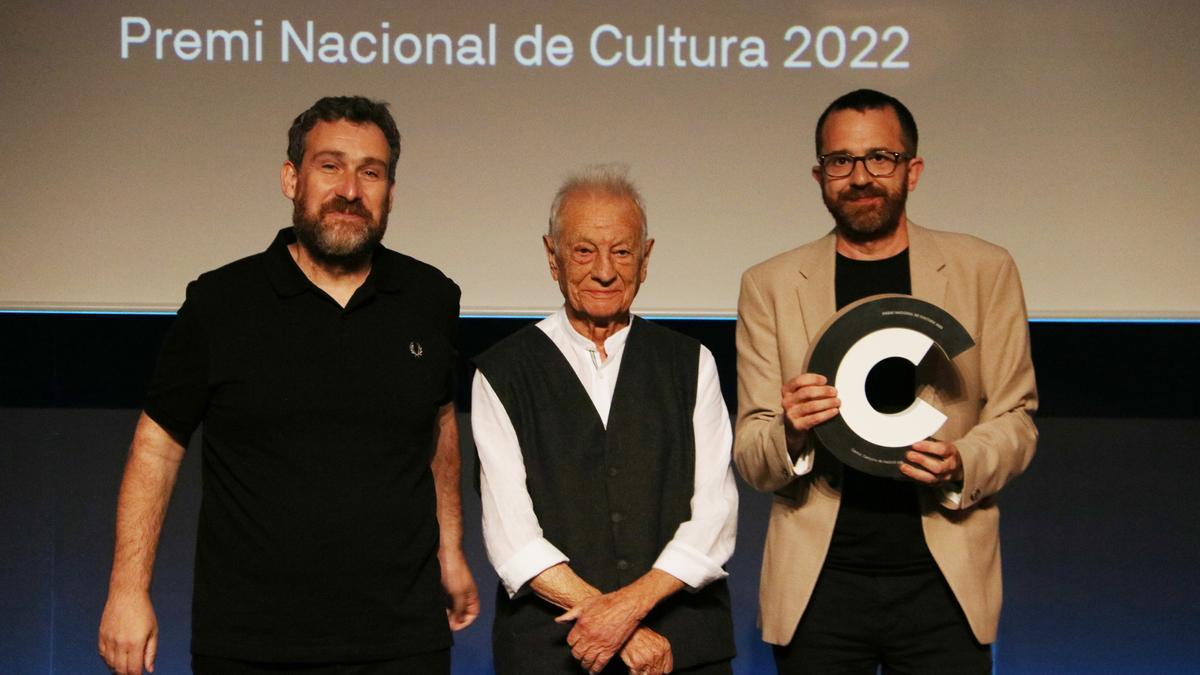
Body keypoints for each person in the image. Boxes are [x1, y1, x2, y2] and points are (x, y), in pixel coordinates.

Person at [97, 96, 478, 675]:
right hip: (251, 643)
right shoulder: (220, 303)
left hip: (402, 639)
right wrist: (127, 590)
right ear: (290, 178)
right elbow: (157, 446)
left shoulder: (430, 298)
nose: (350, 189)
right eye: (330, 165)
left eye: (370, 172)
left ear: (390, 192)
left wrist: (450, 549)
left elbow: (440, 426)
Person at [734, 89, 1038, 673]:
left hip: (944, 583)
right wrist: (792, 434)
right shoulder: (770, 285)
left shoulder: (983, 269)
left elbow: (1016, 418)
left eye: (880, 158)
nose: (860, 177)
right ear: (819, 174)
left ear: (912, 170)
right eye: (841, 162)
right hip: (819, 586)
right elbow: (753, 452)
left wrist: (962, 462)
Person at [471, 166, 738, 675]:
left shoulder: (692, 362)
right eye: (583, 250)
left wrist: (629, 608)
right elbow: (513, 539)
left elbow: (714, 517)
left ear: (646, 257)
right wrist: (618, 625)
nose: (604, 271)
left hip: (680, 652)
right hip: (552, 656)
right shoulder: (501, 371)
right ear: (552, 257)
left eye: (621, 251)